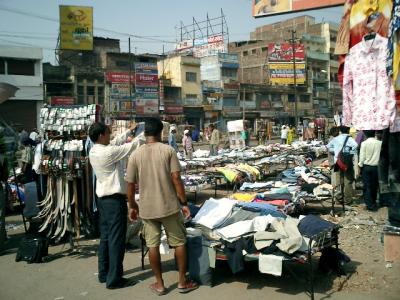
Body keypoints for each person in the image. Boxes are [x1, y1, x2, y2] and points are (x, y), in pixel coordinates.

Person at [125, 118, 198, 296]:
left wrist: (132, 205)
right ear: (161, 132)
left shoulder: (135, 154)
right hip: (169, 207)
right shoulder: (168, 150)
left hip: (148, 209)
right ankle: (182, 281)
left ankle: (160, 284)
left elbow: (129, 184)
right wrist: (184, 203)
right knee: (179, 243)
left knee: (152, 245)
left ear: (145, 133)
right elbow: (176, 179)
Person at [88, 122, 140, 289]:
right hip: (114, 201)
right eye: (108, 133)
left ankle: (104, 273)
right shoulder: (108, 153)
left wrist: (128, 131)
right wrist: (144, 135)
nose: (111, 135)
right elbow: (131, 147)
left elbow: (117, 141)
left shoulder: (95, 150)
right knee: (117, 240)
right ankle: (114, 278)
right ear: (101, 135)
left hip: (103, 201)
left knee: (106, 238)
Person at [327, 126, 358, 205]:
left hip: (338, 162)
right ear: (348, 131)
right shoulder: (350, 139)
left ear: (340, 131)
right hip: (347, 162)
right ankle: (348, 200)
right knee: (348, 180)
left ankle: (338, 198)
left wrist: (335, 152)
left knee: (338, 180)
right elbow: (355, 146)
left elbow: (328, 147)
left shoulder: (336, 139)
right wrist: (350, 153)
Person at [358, 130, 382, 211]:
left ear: (365, 134)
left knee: (367, 186)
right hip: (376, 167)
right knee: (374, 185)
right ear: (374, 133)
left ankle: (369, 204)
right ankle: (374, 202)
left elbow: (362, 157)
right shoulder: (379, 143)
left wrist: (360, 166)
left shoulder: (364, 143)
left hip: (366, 167)